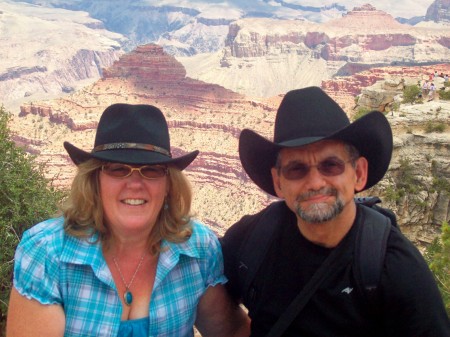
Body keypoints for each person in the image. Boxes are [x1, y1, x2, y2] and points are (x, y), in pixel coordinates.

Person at [221, 87, 450, 336]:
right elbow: (199, 279)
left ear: (359, 174)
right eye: (297, 169)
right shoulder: (252, 240)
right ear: (278, 182)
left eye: (330, 165)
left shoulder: (394, 268)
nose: (316, 182)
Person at [7, 103, 250, 337]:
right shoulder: (47, 253)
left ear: (168, 185)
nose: (135, 184)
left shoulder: (196, 249)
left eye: (152, 170)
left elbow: (232, 331)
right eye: (117, 169)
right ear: (95, 180)